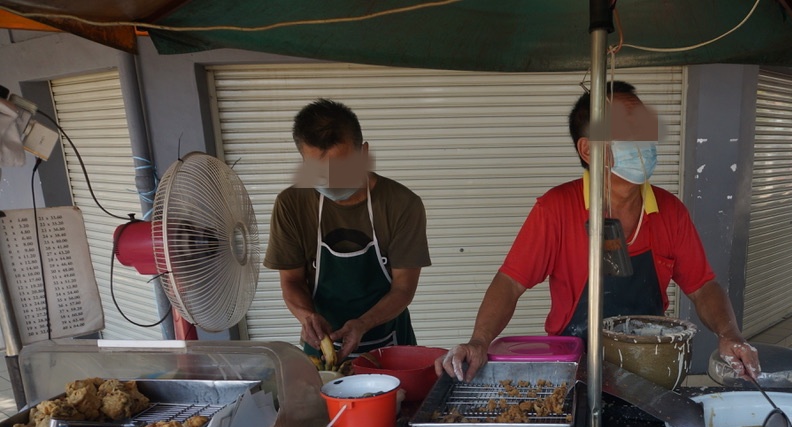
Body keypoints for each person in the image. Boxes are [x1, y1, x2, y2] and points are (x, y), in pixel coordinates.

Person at [438, 81, 759, 383]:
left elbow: (703, 287)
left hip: (649, 371)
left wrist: (728, 334)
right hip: (574, 371)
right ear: (589, 150)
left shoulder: (670, 212)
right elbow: (510, 283)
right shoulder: (556, 209)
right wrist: (479, 341)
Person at [266, 99, 431, 361]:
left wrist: (363, 323)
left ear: (363, 154)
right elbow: (291, 281)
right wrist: (308, 318)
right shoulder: (291, 204)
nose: (331, 182)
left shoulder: (402, 204)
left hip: (390, 343)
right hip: (322, 345)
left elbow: (403, 288)